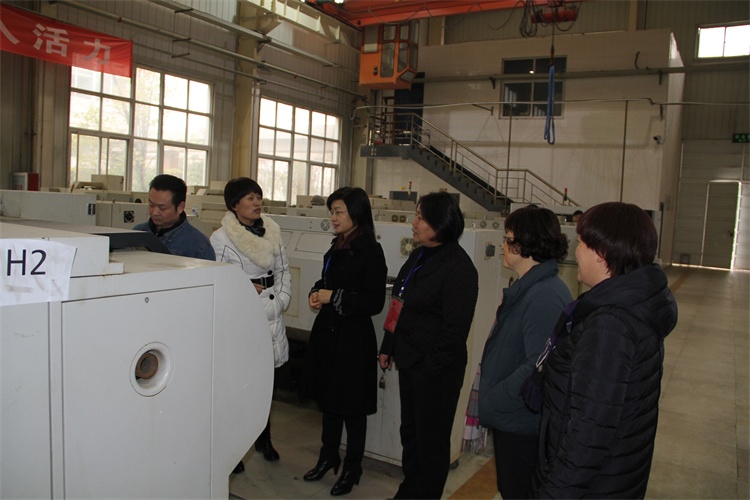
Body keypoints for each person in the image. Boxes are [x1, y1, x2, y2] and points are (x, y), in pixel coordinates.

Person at [529, 202, 678, 498]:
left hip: (595, 487)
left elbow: (587, 437)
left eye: (582, 243)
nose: (576, 251)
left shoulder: (610, 326)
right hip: (617, 476)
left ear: (603, 253)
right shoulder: (634, 304)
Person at [378, 191, 479, 500]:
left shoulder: (459, 267)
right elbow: (399, 302)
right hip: (410, 360)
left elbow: (454, 330)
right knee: (411, 434)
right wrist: (388, 345)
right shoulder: (418, 256)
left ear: (440, 223)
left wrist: (428, 370)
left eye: (420, 217)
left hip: (436, 371)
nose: (414, 223)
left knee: (431, 442)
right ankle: (410, 491)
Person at [477, 206, 573, 499]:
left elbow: (538, 366)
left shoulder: (544, 296)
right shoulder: (531, 287)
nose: (502, 246)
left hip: (520, 420)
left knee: (518, 491)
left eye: (508, 239)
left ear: (528, 244)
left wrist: (495, 398)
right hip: (514, 416)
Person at [302, 187, 387, 497]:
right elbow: (326, 280)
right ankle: (328, 456)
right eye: (332, 212)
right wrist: (316, 292)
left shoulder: (370, 251)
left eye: (338, 212)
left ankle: (352, 467)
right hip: (329, 334)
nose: (333, 218)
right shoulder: (337, 244)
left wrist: (334, 297)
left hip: (353, 339)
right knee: (330, 401)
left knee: (352, 407)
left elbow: (374, 301)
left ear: (356, 213)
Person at [209, 177, 291, 471]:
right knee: (239, 386)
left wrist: (281, 299)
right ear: (234, 205)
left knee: (265, 384)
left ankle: (263, 439)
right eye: (249, 198)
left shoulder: (272, 230)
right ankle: (235, 450)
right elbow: (220, 277)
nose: (257, 203)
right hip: (242, 314)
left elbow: (283, 269)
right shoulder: (221, 238)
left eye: (258, 196)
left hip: (271, 309)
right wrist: (246, 288)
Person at [133, 174, 215, 260]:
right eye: (151, 205)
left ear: (180, 207)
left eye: (162, 208)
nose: (155, 212)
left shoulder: (199, 246)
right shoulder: (137, 233)